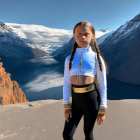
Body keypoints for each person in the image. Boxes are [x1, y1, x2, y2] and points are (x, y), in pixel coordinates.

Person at [62, 21, 108, 140]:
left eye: (86, 34)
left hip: (92, 101)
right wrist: (66, 106)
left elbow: (102, 85)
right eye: (79, 33)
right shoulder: (68, 59)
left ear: (92, 35)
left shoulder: (97, 58)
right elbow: (66, 84)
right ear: (74, 35)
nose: (82, 37)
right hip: (76, 102)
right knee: (67, 135)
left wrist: (103, 108)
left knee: (88, 133)